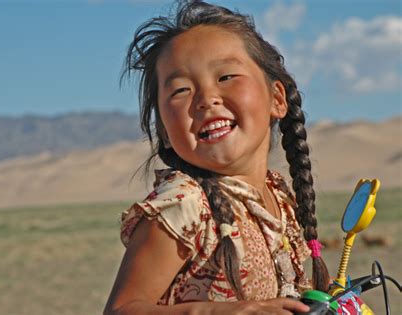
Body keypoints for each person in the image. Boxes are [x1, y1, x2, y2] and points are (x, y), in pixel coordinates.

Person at [104, 1, 330, 314]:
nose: (206, 99)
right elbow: (122, 310)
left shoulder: (278, 197)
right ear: (166, 132)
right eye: (181, 90)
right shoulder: (184, 204)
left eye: (225, 77)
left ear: (277, 99)